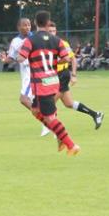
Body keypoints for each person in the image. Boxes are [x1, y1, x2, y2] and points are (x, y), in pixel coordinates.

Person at [17, 11, 80, 156]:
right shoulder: (56, 40)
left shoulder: (30, 40)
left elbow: (21, 58)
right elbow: (66, 59)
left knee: (50, 118)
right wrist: (53, 63)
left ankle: (71, 144)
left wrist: (14, 56)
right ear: (47, 23)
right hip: (53, 80)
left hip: (41, 83)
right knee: (35, 111)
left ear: (35, 23)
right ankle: (60, 135)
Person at [44, 22, 103, 137]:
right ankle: (96, 114)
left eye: (53, 31)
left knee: (49, 103)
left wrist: (74, 75)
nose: (52, 33)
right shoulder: (44, 45)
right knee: (69, 103)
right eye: (49, 31)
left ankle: (51, 128)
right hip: (52, 76)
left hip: (62, 75)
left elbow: (73, 59)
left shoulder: (62, 43)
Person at [0, 18, 35, 123]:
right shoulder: (15, 41)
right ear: (19, 27)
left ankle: (47, 120)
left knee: (24, 99)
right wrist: (4, 60)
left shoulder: (35, 38)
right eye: (25, 25)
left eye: (29, 25)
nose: (28, 27)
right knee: (34, 101)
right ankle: (48, 121)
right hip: (24, 72)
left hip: (33, 71)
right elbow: (11, 58)